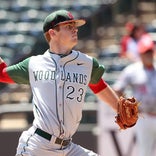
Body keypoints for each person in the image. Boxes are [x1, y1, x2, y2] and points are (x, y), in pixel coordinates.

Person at [0, 9, 120, 156]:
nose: (75, 29)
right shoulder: (34, 64)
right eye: (68, 26)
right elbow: (2, 74)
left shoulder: (86, 63)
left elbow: (99, 86)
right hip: (37, 146)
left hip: (68, 148)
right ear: (52, 33)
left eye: (75, 26)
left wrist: (119, 108)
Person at [113, 34, 156, 156]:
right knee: (144, 152)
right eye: (145, 52)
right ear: (140, 54)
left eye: (150, 52)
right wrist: (126, 106)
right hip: (144, 116)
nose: (148, 55)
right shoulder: (132, 70)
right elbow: (118, 88)